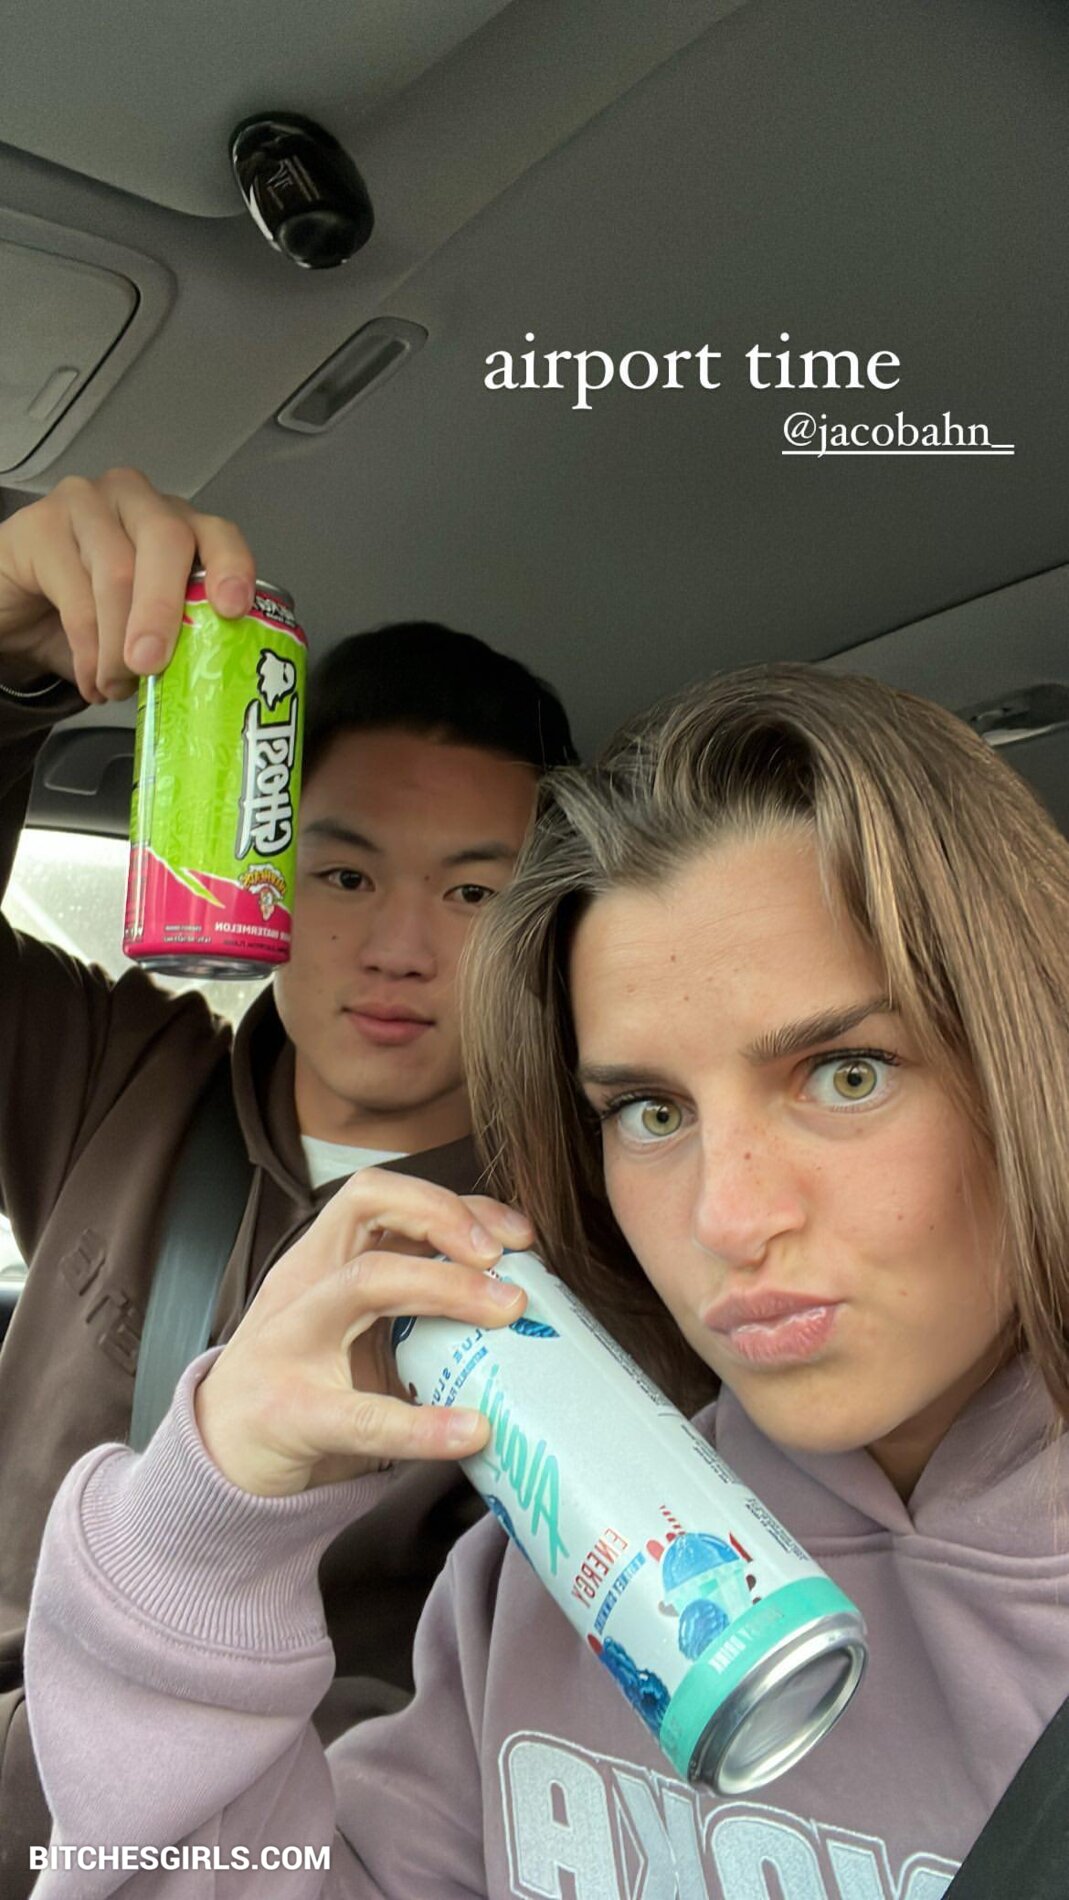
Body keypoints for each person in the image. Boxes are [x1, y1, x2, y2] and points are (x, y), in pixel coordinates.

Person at [24, 663, 1069, 1897]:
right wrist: (201, 1542)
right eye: (649, 1110)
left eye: (847, 1074)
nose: (727, 1218)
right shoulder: (560, 1568)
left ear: (1029, 1052)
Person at [0, 469, 576, 1893]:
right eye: (345, 875)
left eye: (471, 894)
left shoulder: (577, 1260)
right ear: (268, 867)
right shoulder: (120, 1075)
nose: (398, 949)